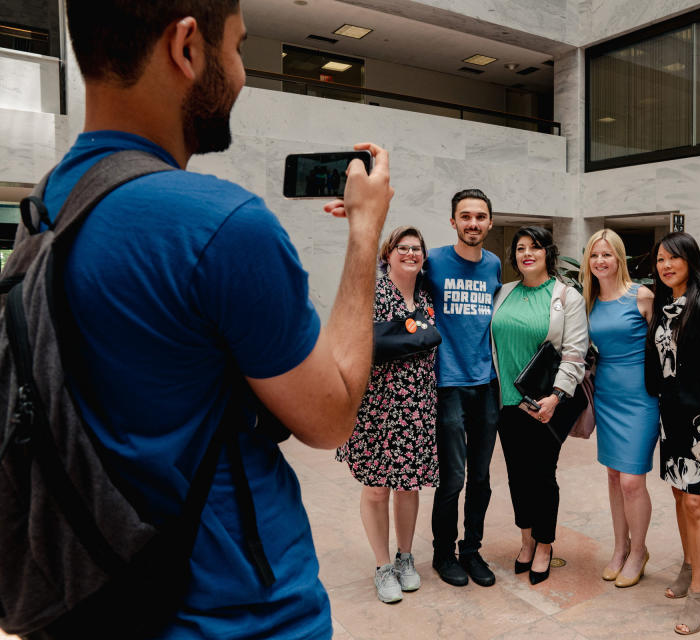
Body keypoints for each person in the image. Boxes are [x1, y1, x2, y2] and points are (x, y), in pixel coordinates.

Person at [46, 2, 393, 638]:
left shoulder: (48, 210)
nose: (240, 74)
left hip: (91, 596)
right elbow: (332, 415)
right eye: (237, 48)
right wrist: (366, 234)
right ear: (186, 48)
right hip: (237, 614)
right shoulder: (219, 225)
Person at [336, 226, 438, 604]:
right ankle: (382, 566)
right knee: (377, 488)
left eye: (417, 249)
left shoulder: (427, 298)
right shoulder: (373, 293)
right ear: (388, 253)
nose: (411, 253)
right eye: (403, 247)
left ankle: (405, 557)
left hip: (417, 405)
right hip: (376, 407)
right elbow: (351, 342)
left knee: (409, 485)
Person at [645, 231, 700, 635]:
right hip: (671, 416)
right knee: (680, 496)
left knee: (698, 503)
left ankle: (699, 593)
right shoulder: (665, 304)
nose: (665, 266)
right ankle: (686, 564)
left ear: (690, 260)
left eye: (672, 259)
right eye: (660, 260)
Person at [491, 226, 588, 585]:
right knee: (517, 473)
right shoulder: (504, 292)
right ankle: (526, 539)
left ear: (548, 252)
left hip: (546, 402)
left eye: (534, 247)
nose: (526, 253)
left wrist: (556, 396)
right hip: (506, 402)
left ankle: (545, 544)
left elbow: (575, 353)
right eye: (520, 248)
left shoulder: (567, 296)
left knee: (542, 474)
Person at [422, 189, 501, 587]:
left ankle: (471, 550)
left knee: (482, 477)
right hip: (446, 383)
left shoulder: (494, 265)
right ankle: (443, 553)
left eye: (480, 216)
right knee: (453, 476)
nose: (473, 223)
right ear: (453, 221)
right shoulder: (432, 261)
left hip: (486, 383)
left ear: (490, 222)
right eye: (465, 216)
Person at [579, 229, 659, 588]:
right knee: (613, 476)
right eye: (594, 255)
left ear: (619, 258)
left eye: (607, 255)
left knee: (631, 481)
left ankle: (639, 550)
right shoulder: (588, 301)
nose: (600, 261)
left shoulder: (642, 297)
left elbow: (665, 351)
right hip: (606, 397)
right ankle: (619, 548)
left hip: (641, 399)